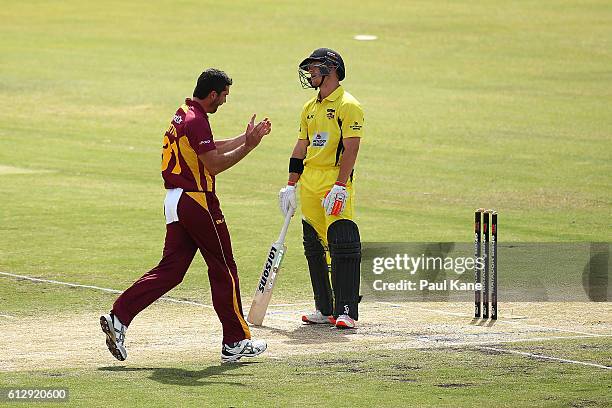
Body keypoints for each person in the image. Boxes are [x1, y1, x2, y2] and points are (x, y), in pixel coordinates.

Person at [100, 68, 272, 363]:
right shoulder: (196, 120)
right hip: (198, 201)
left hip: (176, 201)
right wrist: (249, 147)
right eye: (224, 96)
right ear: (213, 94)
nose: (225, 102)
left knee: (172, 270)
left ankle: (119, 316)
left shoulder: (185, 113)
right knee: (224, 268)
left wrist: (242, 138)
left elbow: (208, 148)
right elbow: (214, 164)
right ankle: (235, 340)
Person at [279, 48, 364, 329]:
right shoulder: (309, 107)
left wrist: (341, 185)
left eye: (314, 67)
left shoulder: (348, 105)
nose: (310, 73)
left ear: (332, 69)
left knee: (342, 243)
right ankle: (324, 308)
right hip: (309, 182)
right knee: (314, 245)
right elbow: (300, 147)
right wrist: (290, 184)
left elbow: (352, 148)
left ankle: (347, 310)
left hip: (333, 182)